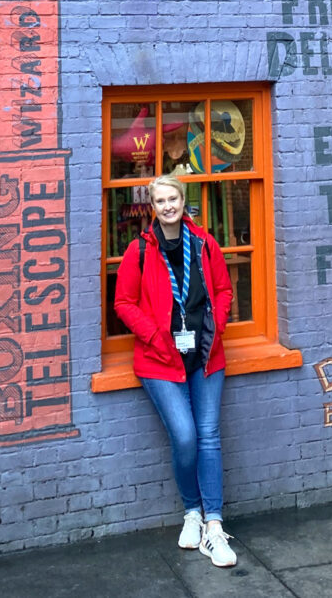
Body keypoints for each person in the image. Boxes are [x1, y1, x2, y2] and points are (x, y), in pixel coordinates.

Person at [114, 174, 236, 567]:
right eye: (161, 200)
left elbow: (222, 289)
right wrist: (153, 335)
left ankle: (214, 526)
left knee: (209, 436)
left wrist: (217, 325)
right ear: (153, 206)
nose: (168, 206)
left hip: (204, 356)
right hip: (160, 359)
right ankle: (192, 512)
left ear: (184, 201)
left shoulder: (204, 243)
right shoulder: (140, 250)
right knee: (185, 437)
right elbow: (124, 302)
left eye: (174, 198)